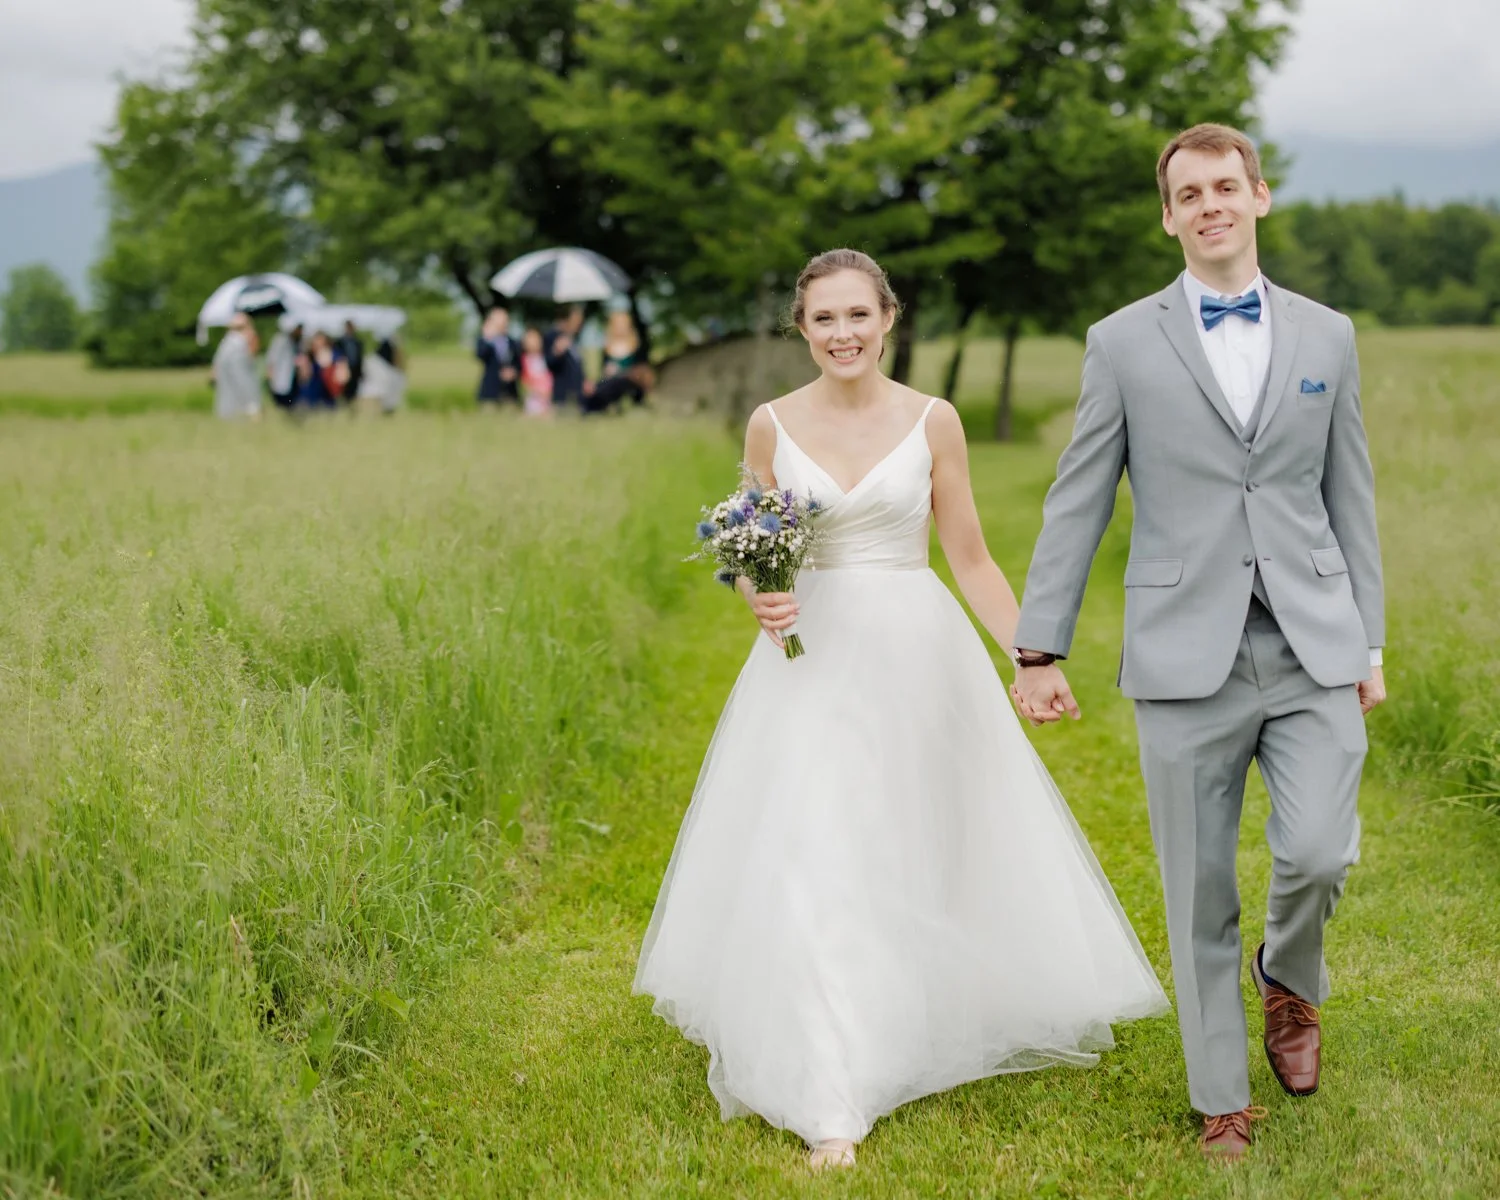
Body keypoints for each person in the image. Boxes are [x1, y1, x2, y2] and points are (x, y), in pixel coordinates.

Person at [635, 249, 1169, 1171]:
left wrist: (1030, 657)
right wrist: (757, 594)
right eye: (823, 319)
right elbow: (761, 553)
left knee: (917, 836)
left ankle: (914, 1004)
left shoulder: (935, 422)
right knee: (815, 844)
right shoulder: (769, 425)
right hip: (810, 664)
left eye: (857, 315)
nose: (842, 334)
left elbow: (969, 557)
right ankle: (831, 1091)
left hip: (918, 650)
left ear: (888, 318)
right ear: (801, 330)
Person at [1011, 124, 1387, 1163]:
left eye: (1229, 185)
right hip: (1184, 652)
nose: (1212, 203)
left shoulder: (1330, 335)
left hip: (1315, 640)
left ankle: (1289, 979)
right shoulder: (1121, 342)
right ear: (1169, 216)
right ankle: (1221, 1093)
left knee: (1318, 851)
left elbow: (1349, 497)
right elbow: (1078, 497)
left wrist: (1372, 642)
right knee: (1197, 882)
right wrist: (1039, 646)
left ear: (1260, 197)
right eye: (1191, 192)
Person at [211, 314, 261, 420]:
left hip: (227, 408)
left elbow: (215, 373)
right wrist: (253, 406)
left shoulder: (225, 346)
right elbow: (243, 380)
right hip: (239, 412)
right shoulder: (238, 350)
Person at [543, 305, 588, 407]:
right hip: (562, 394)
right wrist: (557, 351)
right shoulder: (552, 336)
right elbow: (549, 363)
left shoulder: (575, 338)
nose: (578, 324)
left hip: (577, 394)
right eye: (576, 320)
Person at [475, 307, 521, 405]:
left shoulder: (512, 342)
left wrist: (513, 372)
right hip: (490, 390)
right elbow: (480, 355)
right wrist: (488, 337)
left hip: (510, 391)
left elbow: (518, 363)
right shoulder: (485, 341)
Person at [297, 331, 347, 410]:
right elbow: (303, 376)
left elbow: (343, 375)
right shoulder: (309, 356)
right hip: (311, 393)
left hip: (328, 393)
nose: (320, 345)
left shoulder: (335, 355)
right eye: (317, 342)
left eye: (322, 342)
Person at [266, 321, 302, 409]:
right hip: (280, 379)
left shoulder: (294, 341)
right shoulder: (281, 339)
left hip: (288, 379)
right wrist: (271, 377)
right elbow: (271, 360)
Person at [518, 328, 554, 417]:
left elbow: (549, 376)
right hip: (533, 395)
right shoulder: (524, 360)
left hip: (547, 394)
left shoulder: (545, 359)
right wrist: (536, 390)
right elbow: (524, 380)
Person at [600, 309, 641, 378]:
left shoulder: (635, 345)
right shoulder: (605, 345)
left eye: (623, 323)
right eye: (618, 323)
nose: (620, 327)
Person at [339, 319, 365, 406]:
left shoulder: (358, 342)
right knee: (344, 391)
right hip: (344, 370)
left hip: (355, 370)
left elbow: (360, 358)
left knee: (354, 390)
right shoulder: (340, 342)